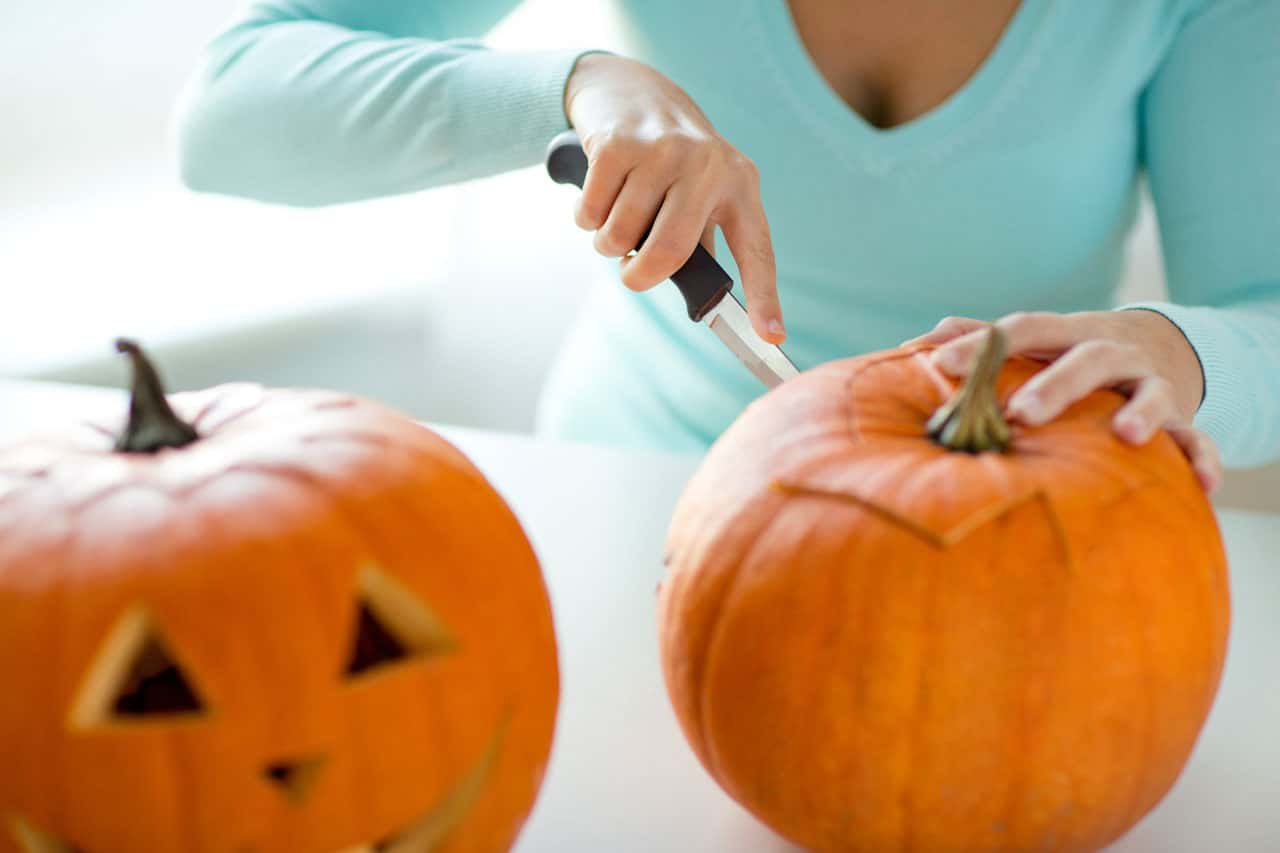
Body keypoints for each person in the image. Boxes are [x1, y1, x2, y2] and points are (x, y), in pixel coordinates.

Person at [175, 0, 1280, 490]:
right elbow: (228, 109)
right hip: (625, 494)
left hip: (1005, 529)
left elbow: (1262, 310)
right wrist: (572, 90)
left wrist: (1182, 357)